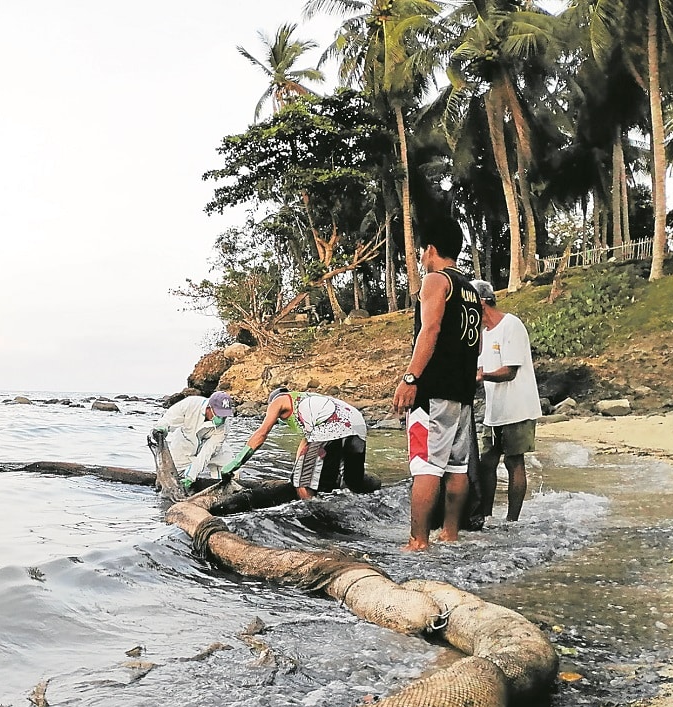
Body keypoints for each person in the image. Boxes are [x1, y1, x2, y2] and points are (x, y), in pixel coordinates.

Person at [392, 219, 484, 551]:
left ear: (430, 250)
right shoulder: (471, 290)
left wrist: (410, 378)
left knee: (426, 466)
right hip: (461, 391)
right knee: (457, 465)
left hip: (433, 391)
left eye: (421, 252)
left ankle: (418, 541)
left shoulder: (436, 280)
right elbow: (476, 343)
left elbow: (429, 331)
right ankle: (450, 533)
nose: (420, 258)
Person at [220, 388, 379, 498]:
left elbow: (261, 434)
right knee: (351, 482)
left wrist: (236, 463)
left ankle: (314, 517)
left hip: (331, 424)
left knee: (302, 485)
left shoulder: (279, 401)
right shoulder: (307, 403)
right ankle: (373, 487)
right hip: (356, 424)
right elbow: (305, 445)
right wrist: (297, 469)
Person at [474, 279, 541, 522]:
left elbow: (510, 370)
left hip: (517, 408)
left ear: (482, 303)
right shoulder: (484, 333)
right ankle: (486, 515)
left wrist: (483, 376)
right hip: (495, 410)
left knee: (514, 462)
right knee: (487, 462)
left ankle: (511, 520)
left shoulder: (511, 325)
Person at [148, 391, 234, 491]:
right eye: (219, 414)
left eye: (225, 416)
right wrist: (162, 427)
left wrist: (191, 476)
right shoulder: (191, 404)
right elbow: (170, 417)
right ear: (209, 407)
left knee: (230, 473)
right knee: (173, 476)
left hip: (213, 451)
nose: (222, 419)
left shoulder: (224, 428)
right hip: (184, 446)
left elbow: (207, 453)